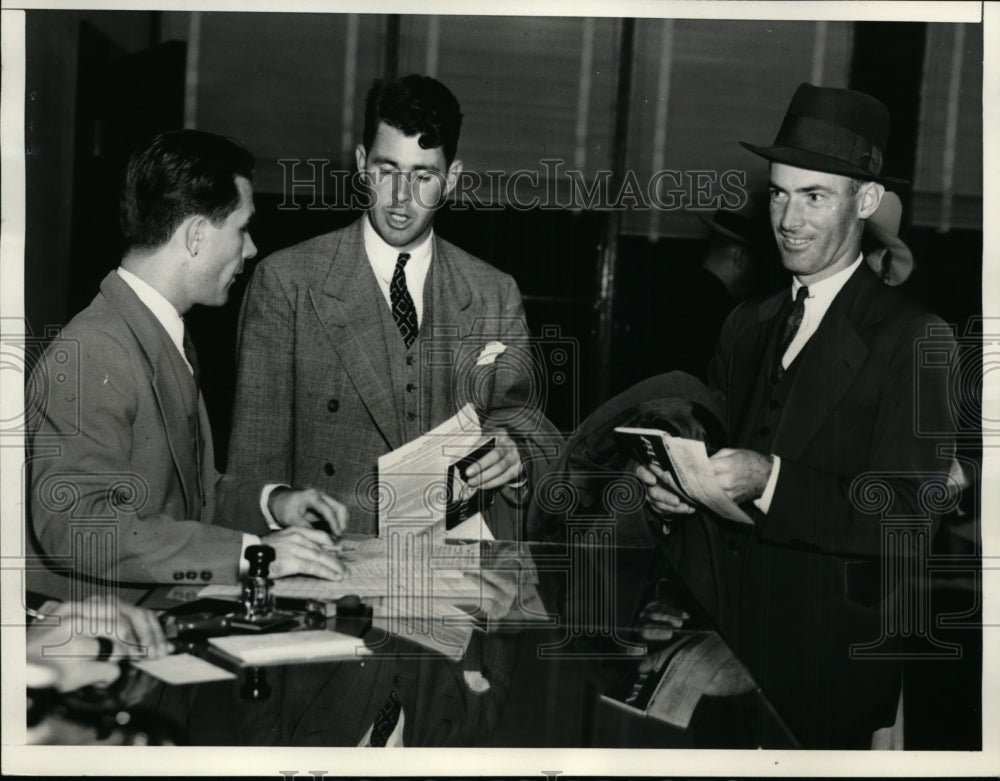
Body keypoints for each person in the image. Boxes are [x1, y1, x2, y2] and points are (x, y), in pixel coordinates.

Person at [636, 83, 956, 748]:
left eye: (815, 195)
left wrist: (770, 478)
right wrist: (676, 497)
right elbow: (718, 490)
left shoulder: (916, 338)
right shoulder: (745, 327)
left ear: (865, 201)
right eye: (780, 193)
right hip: (718, 660)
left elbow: (905, 517)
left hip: (824, 676)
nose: (788, 217)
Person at [27, 130, 348, 606]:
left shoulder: (152, 331)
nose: (252, 248)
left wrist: (273, 504)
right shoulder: (96, 349)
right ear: (197, 236)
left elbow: (184, 497)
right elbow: (79, 524)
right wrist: (254, 554)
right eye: (242, 228)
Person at [228, 75, 557, 539]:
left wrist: (515, 454)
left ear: (453, 179)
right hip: (327, 561)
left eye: (423, 177)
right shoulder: (287, 282)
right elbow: (254, 470)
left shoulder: (492, 292)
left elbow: (524, 424)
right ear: (362, 164)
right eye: (387, 171)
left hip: (450, 569)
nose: (401, 199)